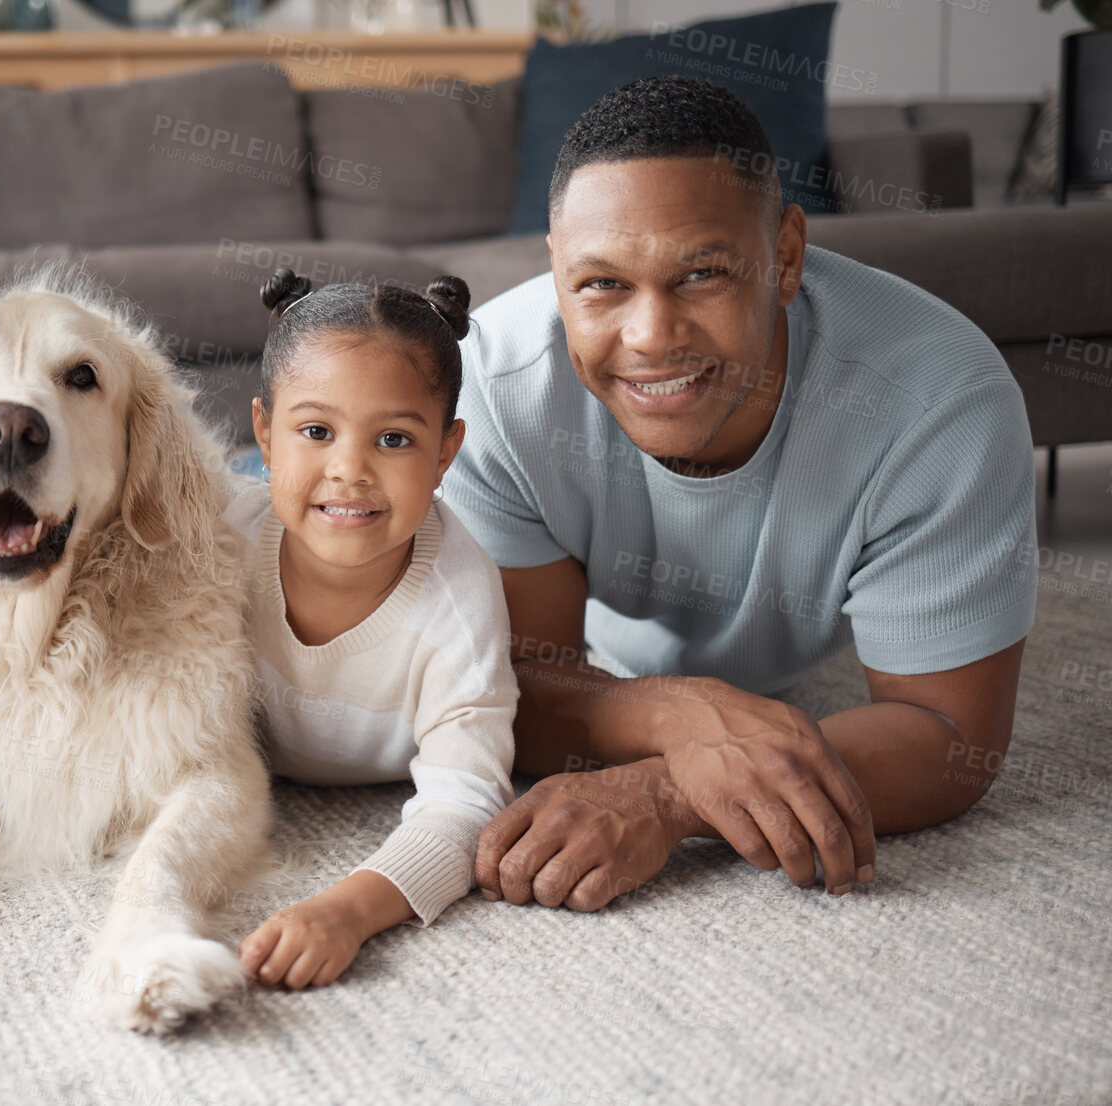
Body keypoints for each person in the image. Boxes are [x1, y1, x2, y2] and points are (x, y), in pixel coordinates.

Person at [448, 76, 1037, 912]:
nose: (650, 337)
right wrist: (679, 717)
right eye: (601, 284)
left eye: (702, 274)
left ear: (786, 257)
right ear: (554, 268)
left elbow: (950, 739)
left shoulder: (945, 401)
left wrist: (673, 792)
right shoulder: (491, 389)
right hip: (618, 635)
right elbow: (517, 691)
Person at [230, 267, 519, 989]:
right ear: (266, 431)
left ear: (446, 453)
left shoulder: (460, 598)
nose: (349, 470)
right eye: (316, 431)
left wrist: (349, 911)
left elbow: (467, 803)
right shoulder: (218, 538)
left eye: (393, 439)